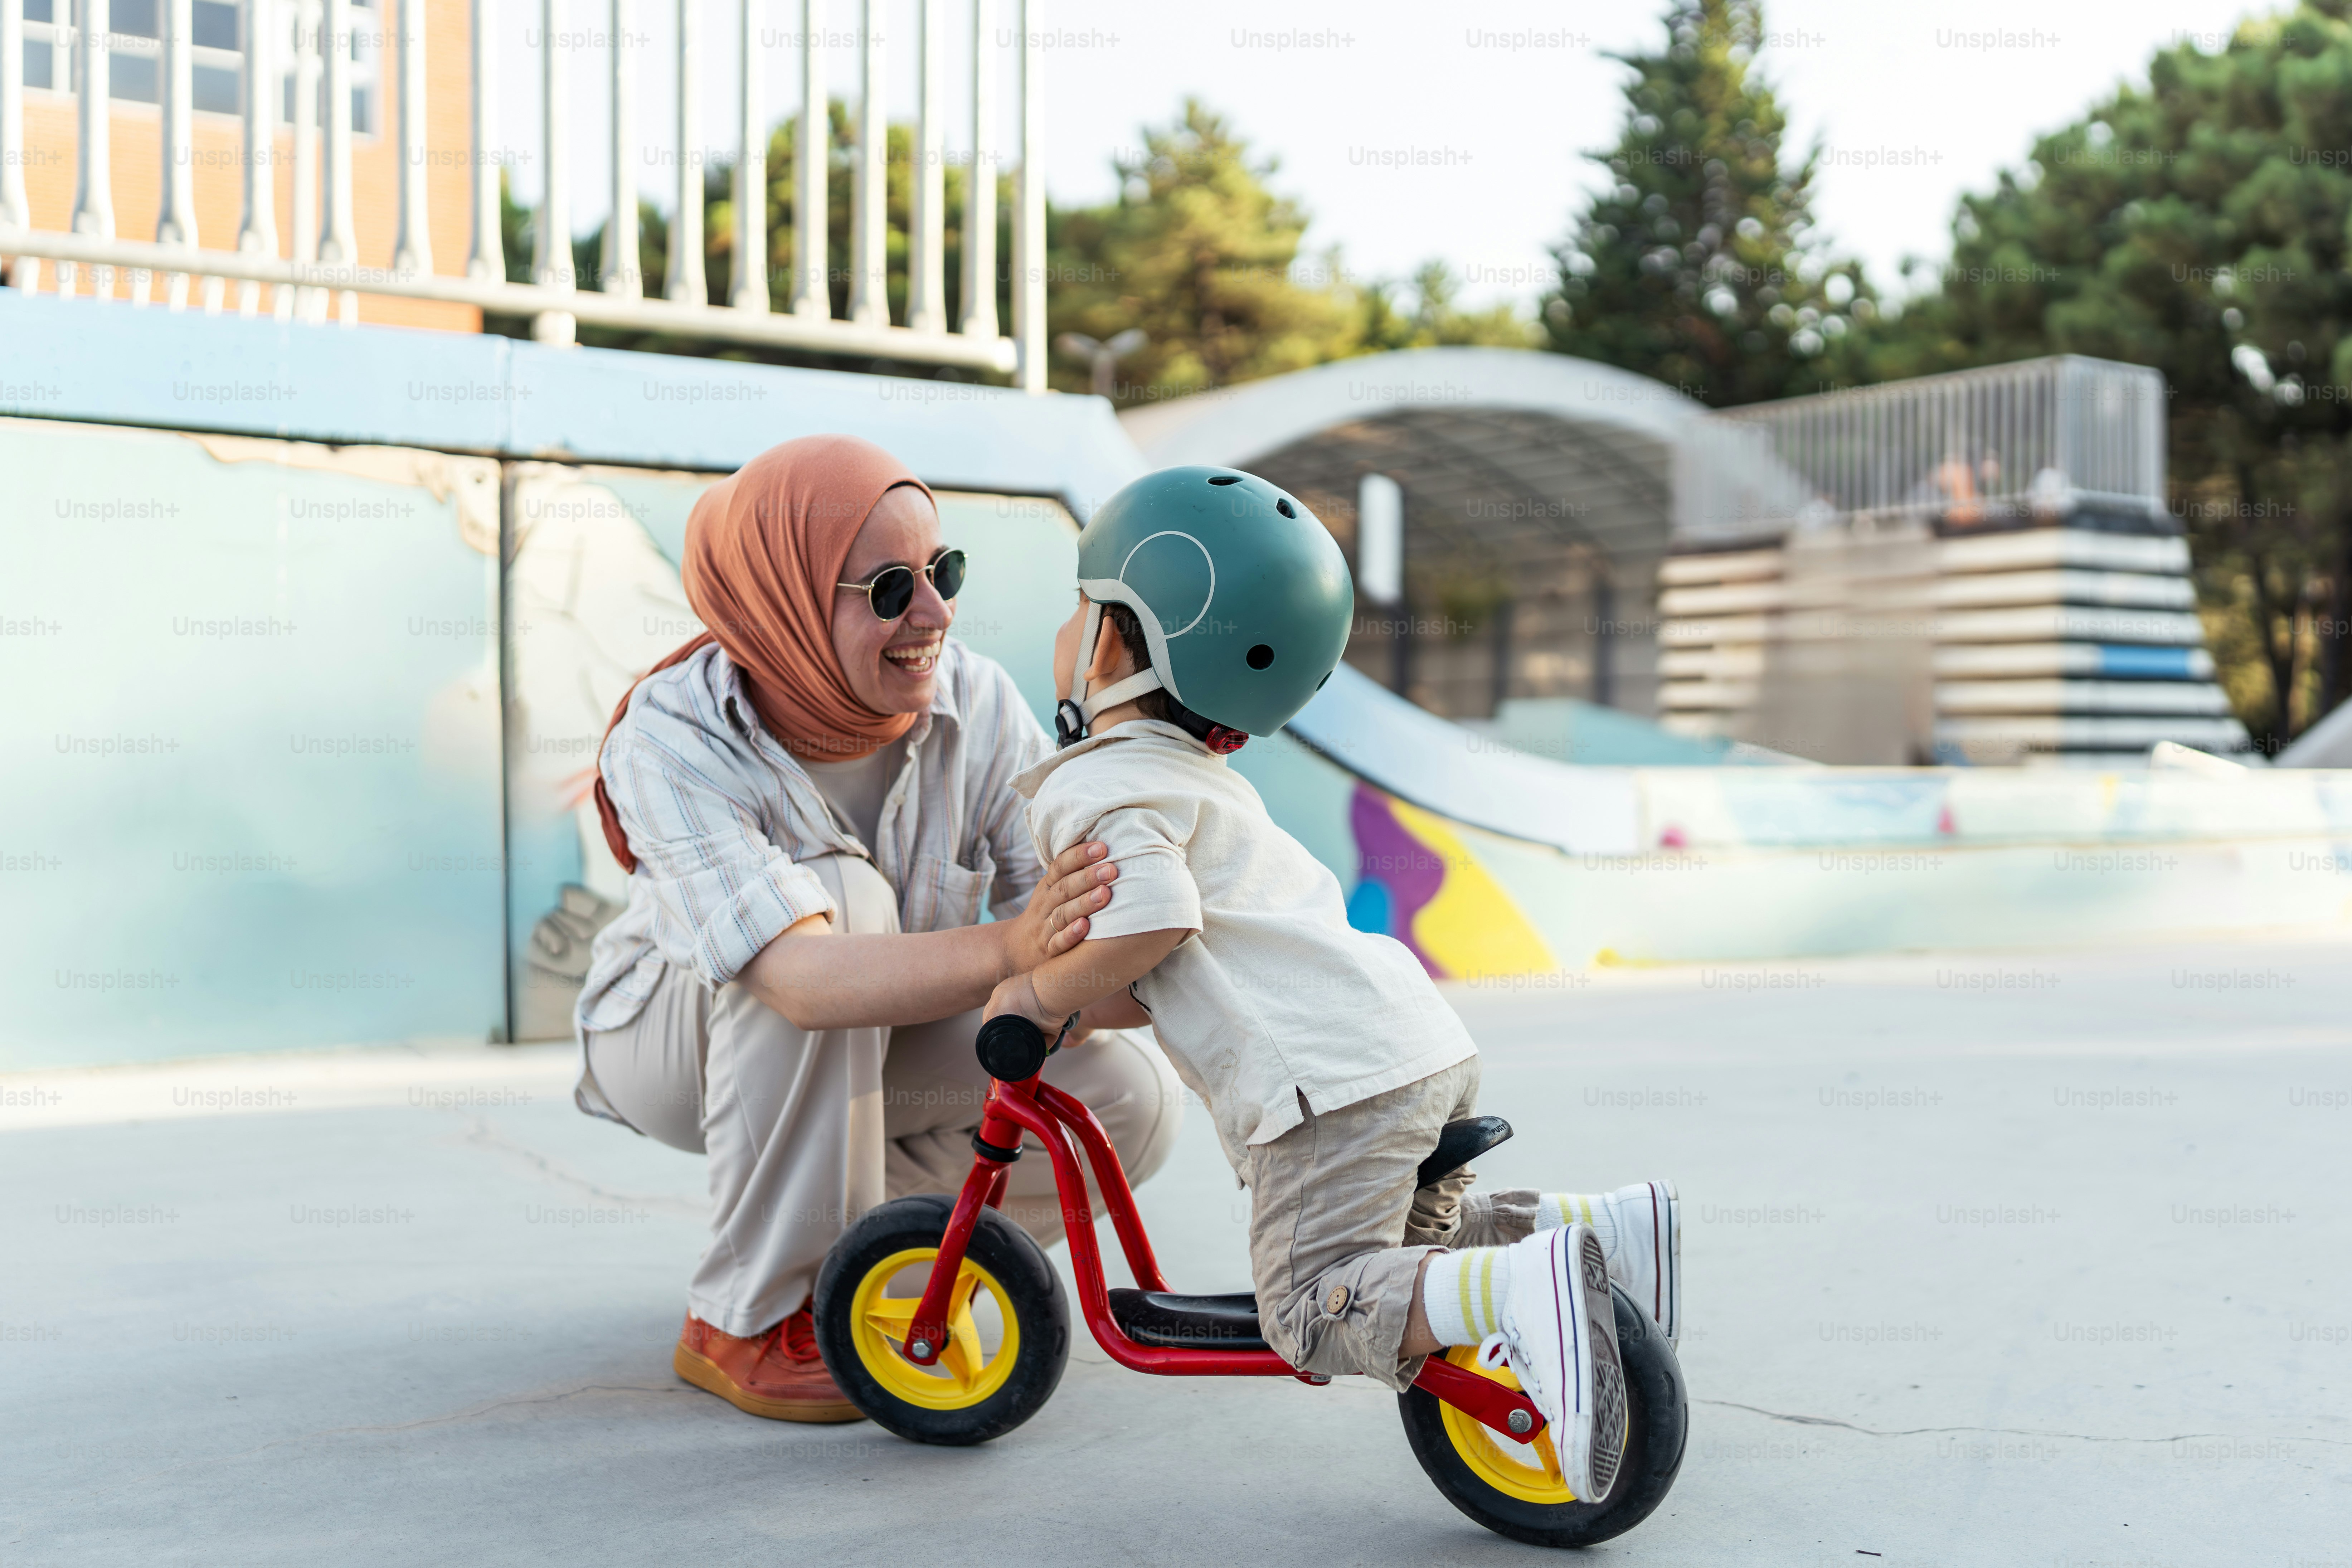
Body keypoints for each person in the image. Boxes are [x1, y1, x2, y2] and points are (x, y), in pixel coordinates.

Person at [983, 465, 1681, 1502]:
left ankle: (1530, 1289)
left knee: (1314, 1308)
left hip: (1330, 1094)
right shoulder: (1203, 786)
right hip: (1410, 1049)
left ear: (1111, 644)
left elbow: (1156, 918)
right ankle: (1590, 1235)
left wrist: (1035, 1000)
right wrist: (1092, 1005)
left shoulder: (1097, 781)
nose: (1065, 632)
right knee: (1411, 1252)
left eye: (1079, 609)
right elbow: (1186, 959)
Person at [575, 435, 1184, 1423]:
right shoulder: (673, 734)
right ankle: (747, 1318)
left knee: (1123, 1096)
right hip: (674, 1046)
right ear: (784, 601)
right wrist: (1010, 949)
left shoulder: (974, 699)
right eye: (891, 588)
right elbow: (803, 984)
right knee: (834, 906)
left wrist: (1192, 967)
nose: (936, 614)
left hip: (870, 1051)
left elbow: (1071, 922)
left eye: (942, 572)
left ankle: (863, 1273)